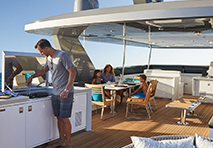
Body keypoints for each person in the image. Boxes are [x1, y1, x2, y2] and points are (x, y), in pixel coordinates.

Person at [26, 39, 76, 148]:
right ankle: (61, 141)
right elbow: (44, 70)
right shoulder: (49, 58)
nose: (41, 54)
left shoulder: (62, 56)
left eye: (41, 51)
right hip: (55, 92)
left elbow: (73, 72)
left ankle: (68, 144)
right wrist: (31, 77)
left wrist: (66, 90)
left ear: (47, 48)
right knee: (58, 117)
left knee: (64, 118)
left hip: (65, 92)